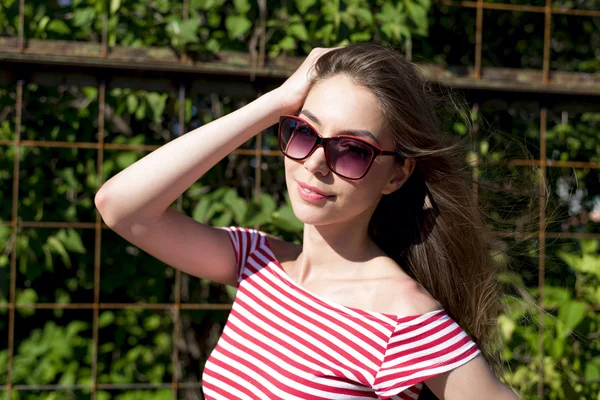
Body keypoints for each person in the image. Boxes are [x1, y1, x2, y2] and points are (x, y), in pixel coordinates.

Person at [95, 43, 521, 399]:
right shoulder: (257, 264)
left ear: (397, 174)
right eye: (302, 131)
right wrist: (276, 102)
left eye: (352, 149)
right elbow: (120, 206)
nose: (316, 162)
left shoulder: (401, 318)